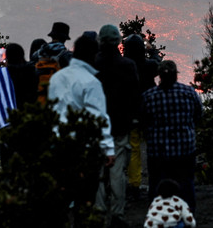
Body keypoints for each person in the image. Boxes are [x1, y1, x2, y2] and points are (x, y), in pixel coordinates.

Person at [48, 34, 115, 210]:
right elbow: (99, 117)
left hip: (58, 145)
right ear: (93, 56)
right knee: (85, 200)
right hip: (84, 149)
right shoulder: (91, 82)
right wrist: (108, 148)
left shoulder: (57, 78)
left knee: (60, 200)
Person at [140, 60, 203, 215]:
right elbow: (198, 116)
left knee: (156, 185)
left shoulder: (148, 96)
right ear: (176, 75)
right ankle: (188, 214)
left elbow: (143, 122)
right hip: (185, 150)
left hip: (158, 152)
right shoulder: (189, 93)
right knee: (186, 183)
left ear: (159, 76)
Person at [95, 24, 141, 227]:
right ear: (118, 42)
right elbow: (134, 95)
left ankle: (98, 211)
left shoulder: (93, 64)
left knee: (98, 171)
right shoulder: (128, 65)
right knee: (118, 171)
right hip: (121, 125)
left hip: (97, 125)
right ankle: (117, 213)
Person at [123, 33, 160, 197]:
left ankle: (134, 183)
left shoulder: (124, 66)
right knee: (153, 148)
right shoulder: (149, 65)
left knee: (134, 149)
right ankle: (155, 182)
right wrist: (152, 51)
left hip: (131, 111)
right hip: (149, 111)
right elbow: (158, 62)